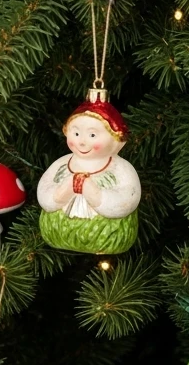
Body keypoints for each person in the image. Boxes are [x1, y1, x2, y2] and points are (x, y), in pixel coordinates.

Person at [37, 99, 141, 254]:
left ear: (117, 141)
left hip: (108, 235)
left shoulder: (121, 168)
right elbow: (44, 189)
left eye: (92, 135)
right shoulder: (62, 163)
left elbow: (129, 197)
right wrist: (61, 193)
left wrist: (96, 195)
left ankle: (105, 240)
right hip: (57, 233)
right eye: (76, 133)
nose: (81, 142)